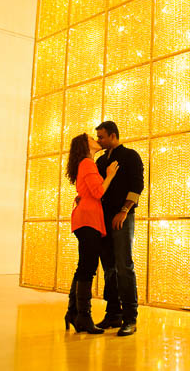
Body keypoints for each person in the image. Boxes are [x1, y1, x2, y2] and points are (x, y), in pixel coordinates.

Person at [64, 133, 119, 334]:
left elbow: (87, 191)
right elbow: (98, 192)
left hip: (85, 218)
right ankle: (83, 316)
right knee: (87, 268)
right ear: (85, 145)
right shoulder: (87, 163)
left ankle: (74, 312)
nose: (96, 139)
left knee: (84, 266)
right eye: (91, 137)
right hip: (88, 219)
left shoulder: (85, 164)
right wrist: (110, 175)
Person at [94, 121, 144, 336]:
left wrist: (124, 211)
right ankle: (113, 313)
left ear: (113, 135)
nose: (99, 141)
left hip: (121, 217)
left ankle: (130, 317)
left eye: (102, 137)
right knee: (109, 267)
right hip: (102, 218)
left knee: (124, 265)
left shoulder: (131, 156)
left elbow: (137, 185)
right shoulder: (100, 160)